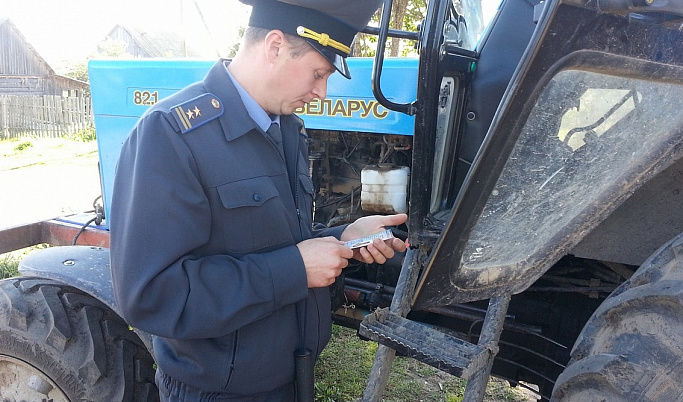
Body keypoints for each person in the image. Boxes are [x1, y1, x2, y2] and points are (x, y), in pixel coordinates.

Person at [109, 0, 407, 400]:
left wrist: (345, 237)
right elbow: (151, 296)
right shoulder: (171, 135)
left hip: (292, 377)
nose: (321, 92)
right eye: (319, 73)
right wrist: (294, 270)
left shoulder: (285, 128)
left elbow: (276, 239)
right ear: (275, 46)